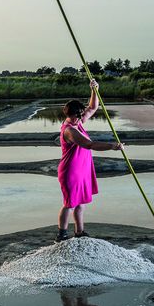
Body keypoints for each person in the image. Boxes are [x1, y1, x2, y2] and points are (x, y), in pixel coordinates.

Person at [56, 79, 124, 242]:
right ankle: (62, 234)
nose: (79, 118)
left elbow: (93, 107)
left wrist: (94, 89)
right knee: (69, 203)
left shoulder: (77, 122)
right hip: (71, 171)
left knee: (81, 202)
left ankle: (79, 231)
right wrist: (111, 146)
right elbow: (89, 144)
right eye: (76, 116)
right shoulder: (70, 130)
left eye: (80, 116)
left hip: (83, 169)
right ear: (69, 114)